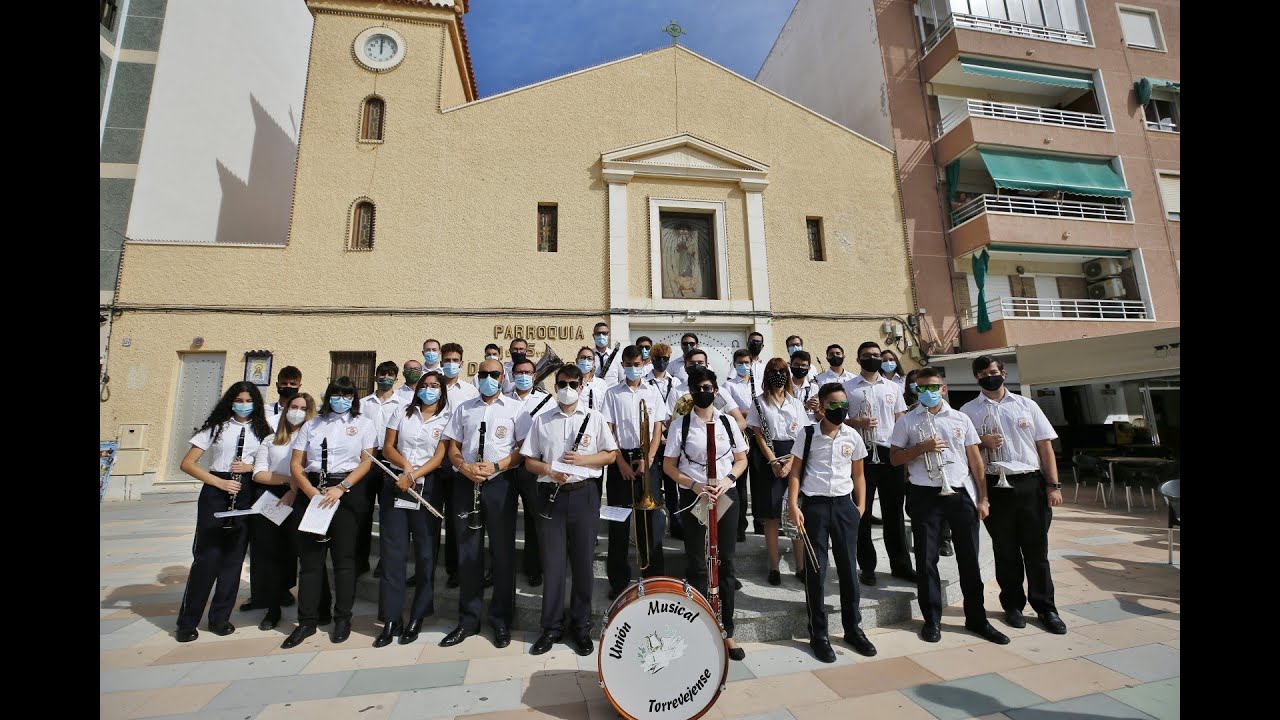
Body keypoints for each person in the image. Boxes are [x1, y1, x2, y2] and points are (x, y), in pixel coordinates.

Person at [888, 367, 1009, 645]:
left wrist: (983, 497)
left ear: (943, 389)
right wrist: (920, 448)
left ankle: (977, 618)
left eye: (933, 387)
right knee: (926, 560)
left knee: (969, 559)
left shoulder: (961, 418)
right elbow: (895, 459)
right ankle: (931, 620)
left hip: (959, 493)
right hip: (924, 494)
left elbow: (975, 460)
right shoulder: (907, 421)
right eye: (921, 388)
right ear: (915, 391)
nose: (927, 392)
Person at [959, 356, 1067, 635]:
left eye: (993, 372)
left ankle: (1046, 608)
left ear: (1003, 373)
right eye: (982, 374)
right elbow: (965, 452)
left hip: (1029, 483)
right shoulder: (968, 411)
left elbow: (1044, 447)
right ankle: (1013, 605)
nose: (989, 377)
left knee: (1036, 551)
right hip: (995, 484)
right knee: (1004, 550)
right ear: (977, 378)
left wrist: (1052, 486)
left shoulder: (1026, 405)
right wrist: (983, 442)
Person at [522, 363, 618, 656]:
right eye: (562, 383)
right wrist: (549, 470)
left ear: (581, 386)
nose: (567, 389)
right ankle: (550, 627)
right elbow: (529, 461)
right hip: (550, 495)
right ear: (555, 386)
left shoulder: (595, 417)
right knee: (552, 566)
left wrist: (583, 461)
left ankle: (580, 626)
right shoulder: (542, 420)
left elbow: (611, 455)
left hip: (584, 496)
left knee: (582, 565)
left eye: (573, 384)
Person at [281, 376, 379, 648]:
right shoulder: (312, 425)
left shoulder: (364, 424)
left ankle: (342, 619)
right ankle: (307, 621)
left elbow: (366, 462)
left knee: (344, 561)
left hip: (346, 491)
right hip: (312, 490)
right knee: (311, 561)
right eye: (336, 394)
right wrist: (310, 491)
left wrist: (342, 488)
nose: (341, 399)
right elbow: (296, 463)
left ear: (353, 398)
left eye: (347, 395)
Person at [175, 382, 273, 642]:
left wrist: (251, 468)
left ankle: (220, 618)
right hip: (216, 491)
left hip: (246, 493)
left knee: (233, 560)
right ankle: (188, 621)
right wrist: (218, 482)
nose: (243, 404)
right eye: (238, 400)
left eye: (248, 400)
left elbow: (270, 462)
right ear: (230, 401)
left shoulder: (263, 430)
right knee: (207, 559)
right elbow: (188, 463)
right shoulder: (217, 427)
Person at [663, 367, 749, 661]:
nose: (705, 391)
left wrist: (728, 480)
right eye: (699, 387)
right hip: (694, 496)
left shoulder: (727, 422)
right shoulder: (680, 426)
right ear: (691, 390)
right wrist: (694, 484)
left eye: (709, 386)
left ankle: (727, 629)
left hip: (725, 495)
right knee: (698, 563)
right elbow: (669, 467)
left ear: (716, 389)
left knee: (726, 562)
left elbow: (741, 459)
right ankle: (700, 625)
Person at [787, 383, 878, 662]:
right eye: (834, 406)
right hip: (814, 507)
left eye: (844, 405)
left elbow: (859, 474)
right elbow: (795, 472)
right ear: (823, 407)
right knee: (817, 571)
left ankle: (853, 629)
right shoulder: (808, 435)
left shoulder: (852, 436)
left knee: (850, 570)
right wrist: (793, 504)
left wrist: (860, 507)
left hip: (843, 506)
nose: (840, 410)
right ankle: (819, 633)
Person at [440, 357, 524, 648]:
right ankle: (468, 620)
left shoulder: (516, 408)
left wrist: (497, 467)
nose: (488, 378)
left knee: (502, 554)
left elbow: (523, 451)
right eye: (483, 373)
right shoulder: (464, 408)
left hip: (500, 484)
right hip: (466, 483)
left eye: (494, 374)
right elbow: (453, 448)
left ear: (503, 377)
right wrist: (463, 467)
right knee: (468, 553)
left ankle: (501, 621)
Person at [375, 371, 451, 647]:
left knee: (426, 553)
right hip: (396, 483)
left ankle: (418, 615)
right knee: (393, 553)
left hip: (427, 486)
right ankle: (391, 618)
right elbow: (387, 448)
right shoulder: (401, 412)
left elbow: (441, 455)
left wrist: (416, 475)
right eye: (425, 385)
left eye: (434, 386)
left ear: (442, 391)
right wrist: (406, 470)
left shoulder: (447, 418)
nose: (429, 390)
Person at [843, 342, 916, 586]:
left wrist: (904, 457)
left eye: (876, 355)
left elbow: (901, 421)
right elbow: (839, 421)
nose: (873, 359)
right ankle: (867, 566)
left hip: (888, 453)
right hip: (860, 455)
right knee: (861, 513)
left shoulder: (894, 388)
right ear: (858, 358)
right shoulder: (848, 388)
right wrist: (857, 422)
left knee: (893, 513)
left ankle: (901, 565)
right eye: (867, 356)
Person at [601, 345, 669, 598]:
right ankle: (618, 581)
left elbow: (658, 428)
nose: (632, 368)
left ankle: (653, 578)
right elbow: (608, 429)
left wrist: (649, 459)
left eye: (637, 364)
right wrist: (619, 462)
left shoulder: (653, 391)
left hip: (647, 460)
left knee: (650, 523)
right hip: (620, 459)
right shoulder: (612, 393)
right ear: (622, 364)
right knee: (618, 523)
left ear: (644, 363)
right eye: (628, 364)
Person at [249, 391, 317, 631]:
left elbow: (310, 470)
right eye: (293, 406)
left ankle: (306, 604)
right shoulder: (271, 439)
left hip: (301, 497)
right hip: (272, 499)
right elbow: (259, 473)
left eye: (302, 407)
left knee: (297, 551)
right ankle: (273, 607)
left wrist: (294, 489)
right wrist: (288, 482)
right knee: (271, 552)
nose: (296, 411)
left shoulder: (312, 439)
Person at [244, 366, 302, 611]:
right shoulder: (264, 412)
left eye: (293, 382)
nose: (288, 386)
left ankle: (284, 590)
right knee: (262, 543)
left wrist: (293, 486)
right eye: (284, 382)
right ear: (277, 383)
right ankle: (259, 594)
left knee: (287, 544)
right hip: (266, 482)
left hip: (294, 487)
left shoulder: (306, 417)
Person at [746, 357, 808, 585]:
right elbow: (758, 434)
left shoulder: (796, 403)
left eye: (782, 371)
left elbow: (802, 435)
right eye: (773, 371)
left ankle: (801, 566)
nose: (778, 375)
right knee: (771, 516)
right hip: (768, 459)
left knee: (795, 512)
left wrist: (792, 462)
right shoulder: (759, 402)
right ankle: (774, 567)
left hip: (793, 455)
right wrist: (773, 460)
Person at [437, 342, 478, 587]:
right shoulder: (431, 386)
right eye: (447, 359)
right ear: (441, 362)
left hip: (458, 461)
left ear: (462, 363)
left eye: (455, 360)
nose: (451, 364)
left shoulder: (470, 392)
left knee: (456, 519)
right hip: (432, 460)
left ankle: (455, 569)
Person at [508, 356, 552, 586]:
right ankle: (501, 568)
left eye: (528, 372)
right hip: (506, 468)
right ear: (512, 376)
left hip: (532, 467)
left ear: (534, 376)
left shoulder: (547, 401)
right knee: (503, 520)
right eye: (519, 372)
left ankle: (534, 567)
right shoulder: (503, 400)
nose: (523, 376)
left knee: (535, 520)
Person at [359, 360, 404, 577]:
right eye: (382, 374)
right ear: (375, 377)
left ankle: (385, 562)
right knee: (363, 512)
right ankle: (360, 560)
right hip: (366, 462)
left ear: (396, 379)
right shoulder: (362, 403)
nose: (386, 377)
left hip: (390, 464)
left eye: (390, 374)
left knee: (388, 515)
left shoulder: (404, 404)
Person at [647, 342, 686, 540]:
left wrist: (667, 429)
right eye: (657, 359)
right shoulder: (645, 382)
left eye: (664, 359)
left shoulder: (677, 383)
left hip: (671, 440)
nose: (661, 362)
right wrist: (658, 431)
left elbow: (677, 412)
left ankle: (676, 524)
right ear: (651, 360)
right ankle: (655, 526)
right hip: (653, 439)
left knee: (672, 486)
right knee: (654, 485)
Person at [590, 322, 624, 386]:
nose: (601, 336)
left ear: (609, 336)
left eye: (604, 333)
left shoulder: (618, 356)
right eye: (598, 333)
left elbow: (622, 379)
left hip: (612, 394)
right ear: (593, 336)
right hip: (594, 394)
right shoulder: (588, 355)